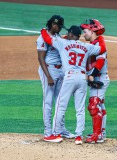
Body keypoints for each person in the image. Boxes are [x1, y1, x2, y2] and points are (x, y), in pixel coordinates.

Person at [40, 25, 106, 145]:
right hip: (82, 78)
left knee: (61, 106)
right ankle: (79, 137)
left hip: (69, 77)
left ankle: (56, 133)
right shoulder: (86, 46)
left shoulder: (63, 43)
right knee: (80, 109)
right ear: (79, 36)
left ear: (70, 34)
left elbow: (47, 38)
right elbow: (102, 49)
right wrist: (100, 36)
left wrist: (43, 30)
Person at [36, 15, 75, 143]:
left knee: (60, 102)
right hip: (49, 70)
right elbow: (41, 59)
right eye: (59, 26)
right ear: (53, 24)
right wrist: (48, 76)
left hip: (60, 71)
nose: (60, 29)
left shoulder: (57, 37)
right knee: (48, 101)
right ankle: (48, 133)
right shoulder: (42, 38)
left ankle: (60, 129)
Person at [80, 19, 110, 143]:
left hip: (99, 77)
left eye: (85, 31)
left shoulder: (98, 44)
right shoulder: (95, 44)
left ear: (92, 32)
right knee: (100, 106)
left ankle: (97, 136)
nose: (84, 34)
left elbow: (100, 61)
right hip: (98, 77)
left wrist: (92, 74)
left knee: (93, 105)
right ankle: (101, 133)